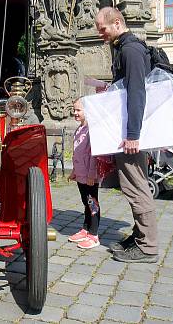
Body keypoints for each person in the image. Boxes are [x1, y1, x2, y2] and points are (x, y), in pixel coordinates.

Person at [94, 7, 157, 263]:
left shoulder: (130, 50)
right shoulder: (126, 48)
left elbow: (136, 93)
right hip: (128, 131)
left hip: (131, 134)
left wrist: (133, 134)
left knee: (136, 186)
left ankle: (148, 246)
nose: (101, 35)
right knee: (132, 183)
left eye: (103, 29)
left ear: (117, 22)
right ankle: (140, 235)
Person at [68, 99, 102, 249]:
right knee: (85, 202)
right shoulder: (79, 129)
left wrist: (91, 175)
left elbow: (94, 155)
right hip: (81, 175)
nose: (75, 113)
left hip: (89, 176)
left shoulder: (92, 130)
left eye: (78, 110)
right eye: (74, 110)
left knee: (92, 203)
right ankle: (86, 228)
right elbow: (77, 153)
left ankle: (94, 235)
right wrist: (74, 172)